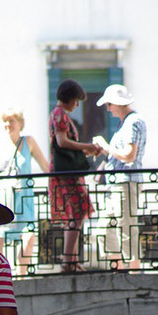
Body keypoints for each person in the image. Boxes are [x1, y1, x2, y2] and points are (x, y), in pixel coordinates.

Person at [0, 108, 49, 273]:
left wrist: (56, 186)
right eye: (5, 121)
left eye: (11, 120)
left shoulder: (29, 142)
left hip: (24, 199)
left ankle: (21, 274)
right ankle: (1, 274)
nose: (8, 124)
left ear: (20, 123)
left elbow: (46, 166)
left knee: (28, 236)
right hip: (4, 198)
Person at [48, 79, 101, 273]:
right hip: (67, 174)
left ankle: (71, 261)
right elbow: (62, 142)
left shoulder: (58, 114)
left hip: (66, 172)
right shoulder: (60, 114)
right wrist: (87, 146)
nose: (78, 104)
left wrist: (87, 150)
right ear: (70, 98)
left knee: (76, 214)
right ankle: (68, 262)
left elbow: (64, 146)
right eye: (77, 100)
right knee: (77, 212)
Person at [94, 84, 147, 269]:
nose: (108, 109)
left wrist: (106, 147)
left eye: (109, 105)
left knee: (126, 227)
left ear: (117, 103)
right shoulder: (124, 123)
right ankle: (120, 272)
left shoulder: (134, 122)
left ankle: (133, 274)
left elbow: (129, 155)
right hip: (116, 184)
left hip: (126, 182)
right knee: (104, 228)